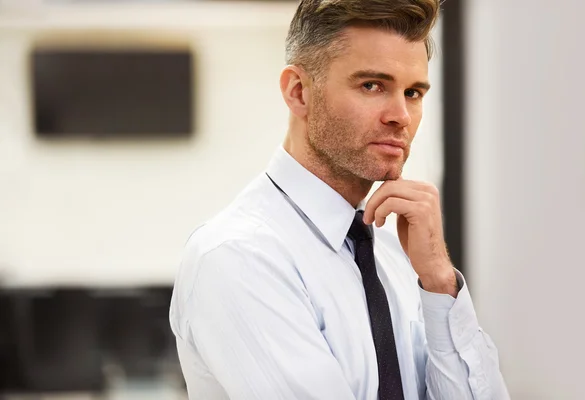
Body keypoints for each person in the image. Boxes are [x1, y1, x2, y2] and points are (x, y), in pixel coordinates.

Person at [170, 0, 510, 398]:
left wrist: (438, 280)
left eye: (413, 92)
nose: (400, 115)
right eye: (372, 85)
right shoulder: (239, 256)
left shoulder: (395, 254)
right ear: (299, 93)